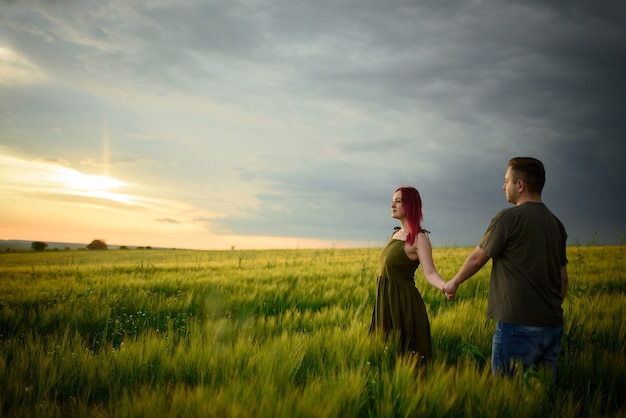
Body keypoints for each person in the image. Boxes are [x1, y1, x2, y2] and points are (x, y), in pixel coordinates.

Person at [443, 157, 568, 381]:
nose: (503, 186)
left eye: (507, 181)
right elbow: (563, 279)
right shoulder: (556, 224)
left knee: (508, 394)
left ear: (520, 185)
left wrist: (453, 282)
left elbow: (477, 259)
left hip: (517, 326)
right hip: (552, 326)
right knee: (543, 397)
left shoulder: (508, 218)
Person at [369, 186, 447, 361]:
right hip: (385, 302)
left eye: (398, 201)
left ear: (410, 205)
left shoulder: (419, 239)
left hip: (403, 305)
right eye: (392, 201)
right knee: (384, 355)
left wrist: (444, 286)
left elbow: (430, 272)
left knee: (407, 357)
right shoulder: (396, 234)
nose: (392, 205)